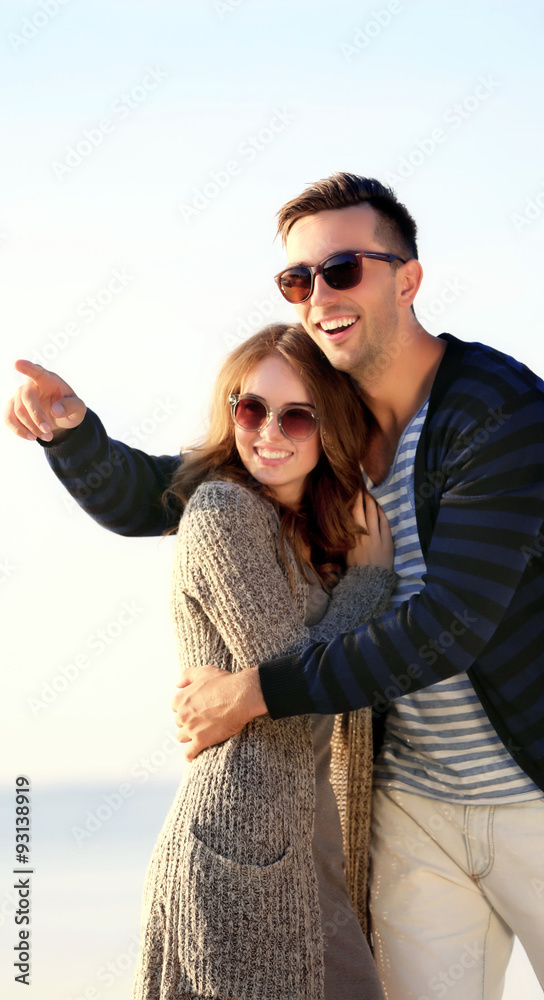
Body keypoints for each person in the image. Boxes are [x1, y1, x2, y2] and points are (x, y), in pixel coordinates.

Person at [6, 173, 544, 1000]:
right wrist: (71, 434)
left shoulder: (498, 412)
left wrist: (257, 691)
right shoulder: (322, 418)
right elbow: (172, 489)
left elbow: (448, 625)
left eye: (343, 269)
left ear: (407, 279)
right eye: (296, 280)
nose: (317, 297)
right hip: (408, 817)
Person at [12, 323, 397, 999]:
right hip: (240, 848)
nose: (268, 432)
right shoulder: (223, 510)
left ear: (329, 426)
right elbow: (296, 682)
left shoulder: (309, 525)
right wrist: (371, 579)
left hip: (306, 851)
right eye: (251, 409)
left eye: (296, 416)